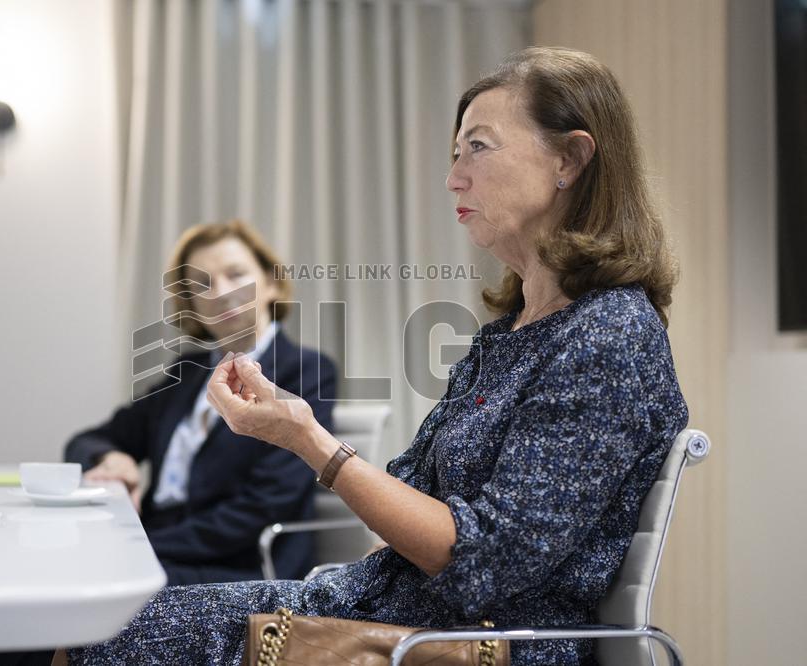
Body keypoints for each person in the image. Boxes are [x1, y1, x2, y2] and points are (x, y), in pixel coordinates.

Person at [65, 46, 688, 666]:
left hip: (464, 643)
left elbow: (486, 565)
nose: (453, 177)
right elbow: (411, 493)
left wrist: (307, 438)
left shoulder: (608, 334)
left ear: (570, 160)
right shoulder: (505, 336)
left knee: (94, 633)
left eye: (479, 146)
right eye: (454, 153)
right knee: (75, 627)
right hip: (385, 608)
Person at [66, 219, 337, 585]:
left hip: (235, 567)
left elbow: (266, 504)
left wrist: (138, 543)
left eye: (236, 274)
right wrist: (110, 456)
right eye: (202, 284)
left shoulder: (305, 371)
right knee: (39, 581)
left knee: (61, 587)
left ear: (272, 284)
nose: (220, 292)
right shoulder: (187, 372)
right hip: (154, 549)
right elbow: (85, 441)